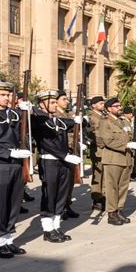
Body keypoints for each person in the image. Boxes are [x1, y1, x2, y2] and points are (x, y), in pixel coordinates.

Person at [31, 90, 82, 242]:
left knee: (61, 194)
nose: (54, 105)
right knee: (50, 195)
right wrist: (65, 155)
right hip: (50, 162)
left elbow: (71, 124)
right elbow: (46, 143)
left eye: (55, 102)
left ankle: (56, 226)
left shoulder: (58, 121)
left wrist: (80, 120)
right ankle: (47, 230)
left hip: (63, 162)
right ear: (42, 104)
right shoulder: (38, 121)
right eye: (51, 102)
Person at [0, 80, 31, 258]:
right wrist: (10, 153)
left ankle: (8, 238)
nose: (8, 98)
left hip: (16, 164)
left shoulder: (14, 114)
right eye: (3, 95)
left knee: (14, 202)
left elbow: (33, 124)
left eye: (8, 95)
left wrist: (28, 110)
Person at [101, 98, 136, 225]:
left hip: (126, 159)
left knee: (123, 187)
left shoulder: (123, 121)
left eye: (119, 106)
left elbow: (130, 135)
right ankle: (111, 213)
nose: (119, 108)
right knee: (112, 187)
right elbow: (108, 141)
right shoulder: (105, 122)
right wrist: (127, 145)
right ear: (109, 109)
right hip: (113, 159)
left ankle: (119, 209)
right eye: (116, 106)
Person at [54, 90, 80, 220]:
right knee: (61, 182)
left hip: (72, 150)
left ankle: (67, 204)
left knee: (70, 181)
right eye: (64, 99)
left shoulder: (68, 113)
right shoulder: (55, 114)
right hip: (62, 150)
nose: (67, 101)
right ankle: (60, 207)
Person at [87, 96, 106, 211]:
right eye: (100, 103)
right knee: (98, 174)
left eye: (103, 103)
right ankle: (97, 198)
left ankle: (103, 195)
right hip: (97, 149)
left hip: (106, 149)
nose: (103, 105)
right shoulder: (91, 117)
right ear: (93, 105)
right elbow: (91, 133)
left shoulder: (104, 116)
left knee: (104, 175)